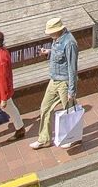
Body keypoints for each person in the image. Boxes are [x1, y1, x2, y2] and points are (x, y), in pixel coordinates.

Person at [30, 17, 80, 150]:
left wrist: (72, 90)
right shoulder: (56, 40)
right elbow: (59, 55)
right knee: (45, 108)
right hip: (54, 80)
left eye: (51, 32)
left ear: (59, 30)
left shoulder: (70, 43)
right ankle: (44, 139)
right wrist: (49, 52)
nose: (49, 35)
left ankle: (73, 138)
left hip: (64, 82)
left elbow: (72, 68)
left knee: (69, 111)